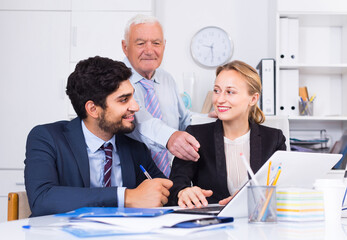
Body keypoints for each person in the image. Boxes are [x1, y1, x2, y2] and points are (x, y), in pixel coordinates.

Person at [24, 56, 173, 217]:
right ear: (93, 109)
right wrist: (125, 197)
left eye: (133, 97)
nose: (135, 107)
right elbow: (42, 199)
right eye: (124, 100)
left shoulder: (133, 143)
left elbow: (164, 191)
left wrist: (183, 193)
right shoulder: (47, 138)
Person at [168, 60, 286, 208]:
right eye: (217, 91)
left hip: (257, 223)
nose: (220, 99)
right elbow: (174, 187)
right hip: (210, 225)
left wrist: (250, 197)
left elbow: (283, 189)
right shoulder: (196, 136)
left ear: (253, 98)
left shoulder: (274, 139)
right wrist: (183, 192)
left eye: (230, 92)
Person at [121, 14, 200, 177]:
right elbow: (139, 122)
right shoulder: (116, 79)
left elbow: (184, 119)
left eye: (156, 43)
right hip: (133, 178)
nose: (149, 51)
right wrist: (169, 137)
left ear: (164, 46)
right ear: (125, 47)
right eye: (141, 43)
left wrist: (211, 119)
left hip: (172, 175)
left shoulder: (166, 79)